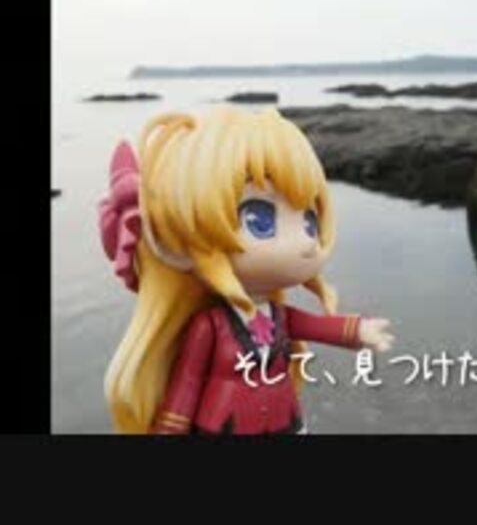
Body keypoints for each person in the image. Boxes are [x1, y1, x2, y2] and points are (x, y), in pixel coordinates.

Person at [99, 106, 394, 434]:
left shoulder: (280, 317)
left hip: (285, 422)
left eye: (310, 221)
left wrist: (358, 331)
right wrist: (171, 428)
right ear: (180, 245)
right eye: (259, 219)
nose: (305, 242)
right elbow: (187, 383)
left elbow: (315, 326)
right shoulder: (209, 326)